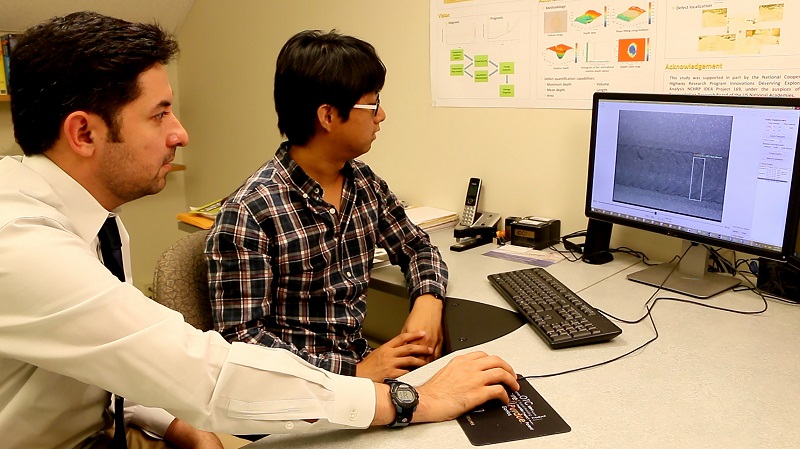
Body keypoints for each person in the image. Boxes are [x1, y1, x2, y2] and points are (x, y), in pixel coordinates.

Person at [0, 11, 519, 449]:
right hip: (290, 397)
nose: (181, 133)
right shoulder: (20, 243)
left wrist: (174, 423)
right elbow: (215, 366)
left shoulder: (101, 225)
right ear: (83, 132)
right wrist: (407, 396)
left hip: (275, 396)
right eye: (159, 115)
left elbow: (114, 360)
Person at [206, 30, 448, 384]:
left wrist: (428, 299)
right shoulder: (251, 212)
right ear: (329, 116)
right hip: (296, 394)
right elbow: (243, 343)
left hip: (359, 370)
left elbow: (418, 247)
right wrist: (356, 372)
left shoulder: (363, 184)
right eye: (373, 104)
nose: (382, 115)